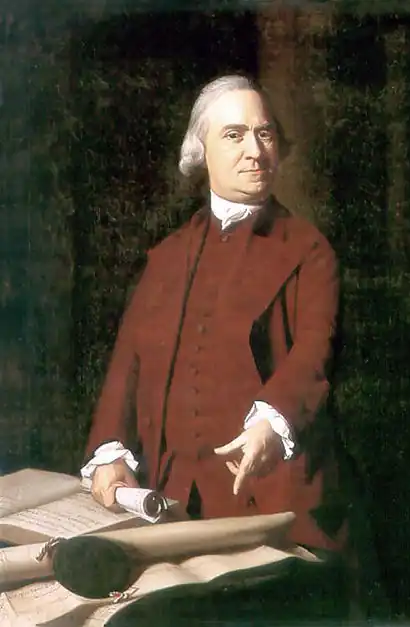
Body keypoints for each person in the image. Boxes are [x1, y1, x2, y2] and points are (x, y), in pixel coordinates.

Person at [83, 74, 345, 558]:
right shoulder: (167, 256)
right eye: (234, 135)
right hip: (174, 499)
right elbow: (127, 366)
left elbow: (314, 351)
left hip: (272, 502)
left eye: (264, 134)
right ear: (201, 152)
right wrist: (110, 450)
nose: (254, 151)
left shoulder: (310, 250)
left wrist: (272, 424)